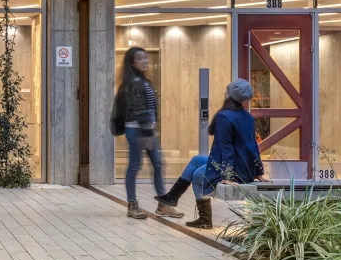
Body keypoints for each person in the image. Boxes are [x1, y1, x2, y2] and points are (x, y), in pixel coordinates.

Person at [154, 78, 265, 229]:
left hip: (233, 169)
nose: (224, 92)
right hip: (244, 167)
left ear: (230, 95)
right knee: (197, 159)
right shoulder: (248, 117)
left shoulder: (224, 117)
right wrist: (258, 171)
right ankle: (172, 197)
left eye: (227, 90)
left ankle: (205, 219)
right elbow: (253, 145)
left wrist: (227, 176)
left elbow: (226, 148)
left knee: (198, 175)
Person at [110, 47, 184, 220]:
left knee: (158, 165)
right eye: (140, 58)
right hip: (137, 130)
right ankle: (132, 205)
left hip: (146, 129)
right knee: (135, 167)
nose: (145, 61)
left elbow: (151, 108)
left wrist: (152, 128)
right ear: (132, 62)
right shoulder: (132, 83)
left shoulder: (143, 81)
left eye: (146, 58)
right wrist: (146, 133)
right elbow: (137, 110)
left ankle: (163, 204)